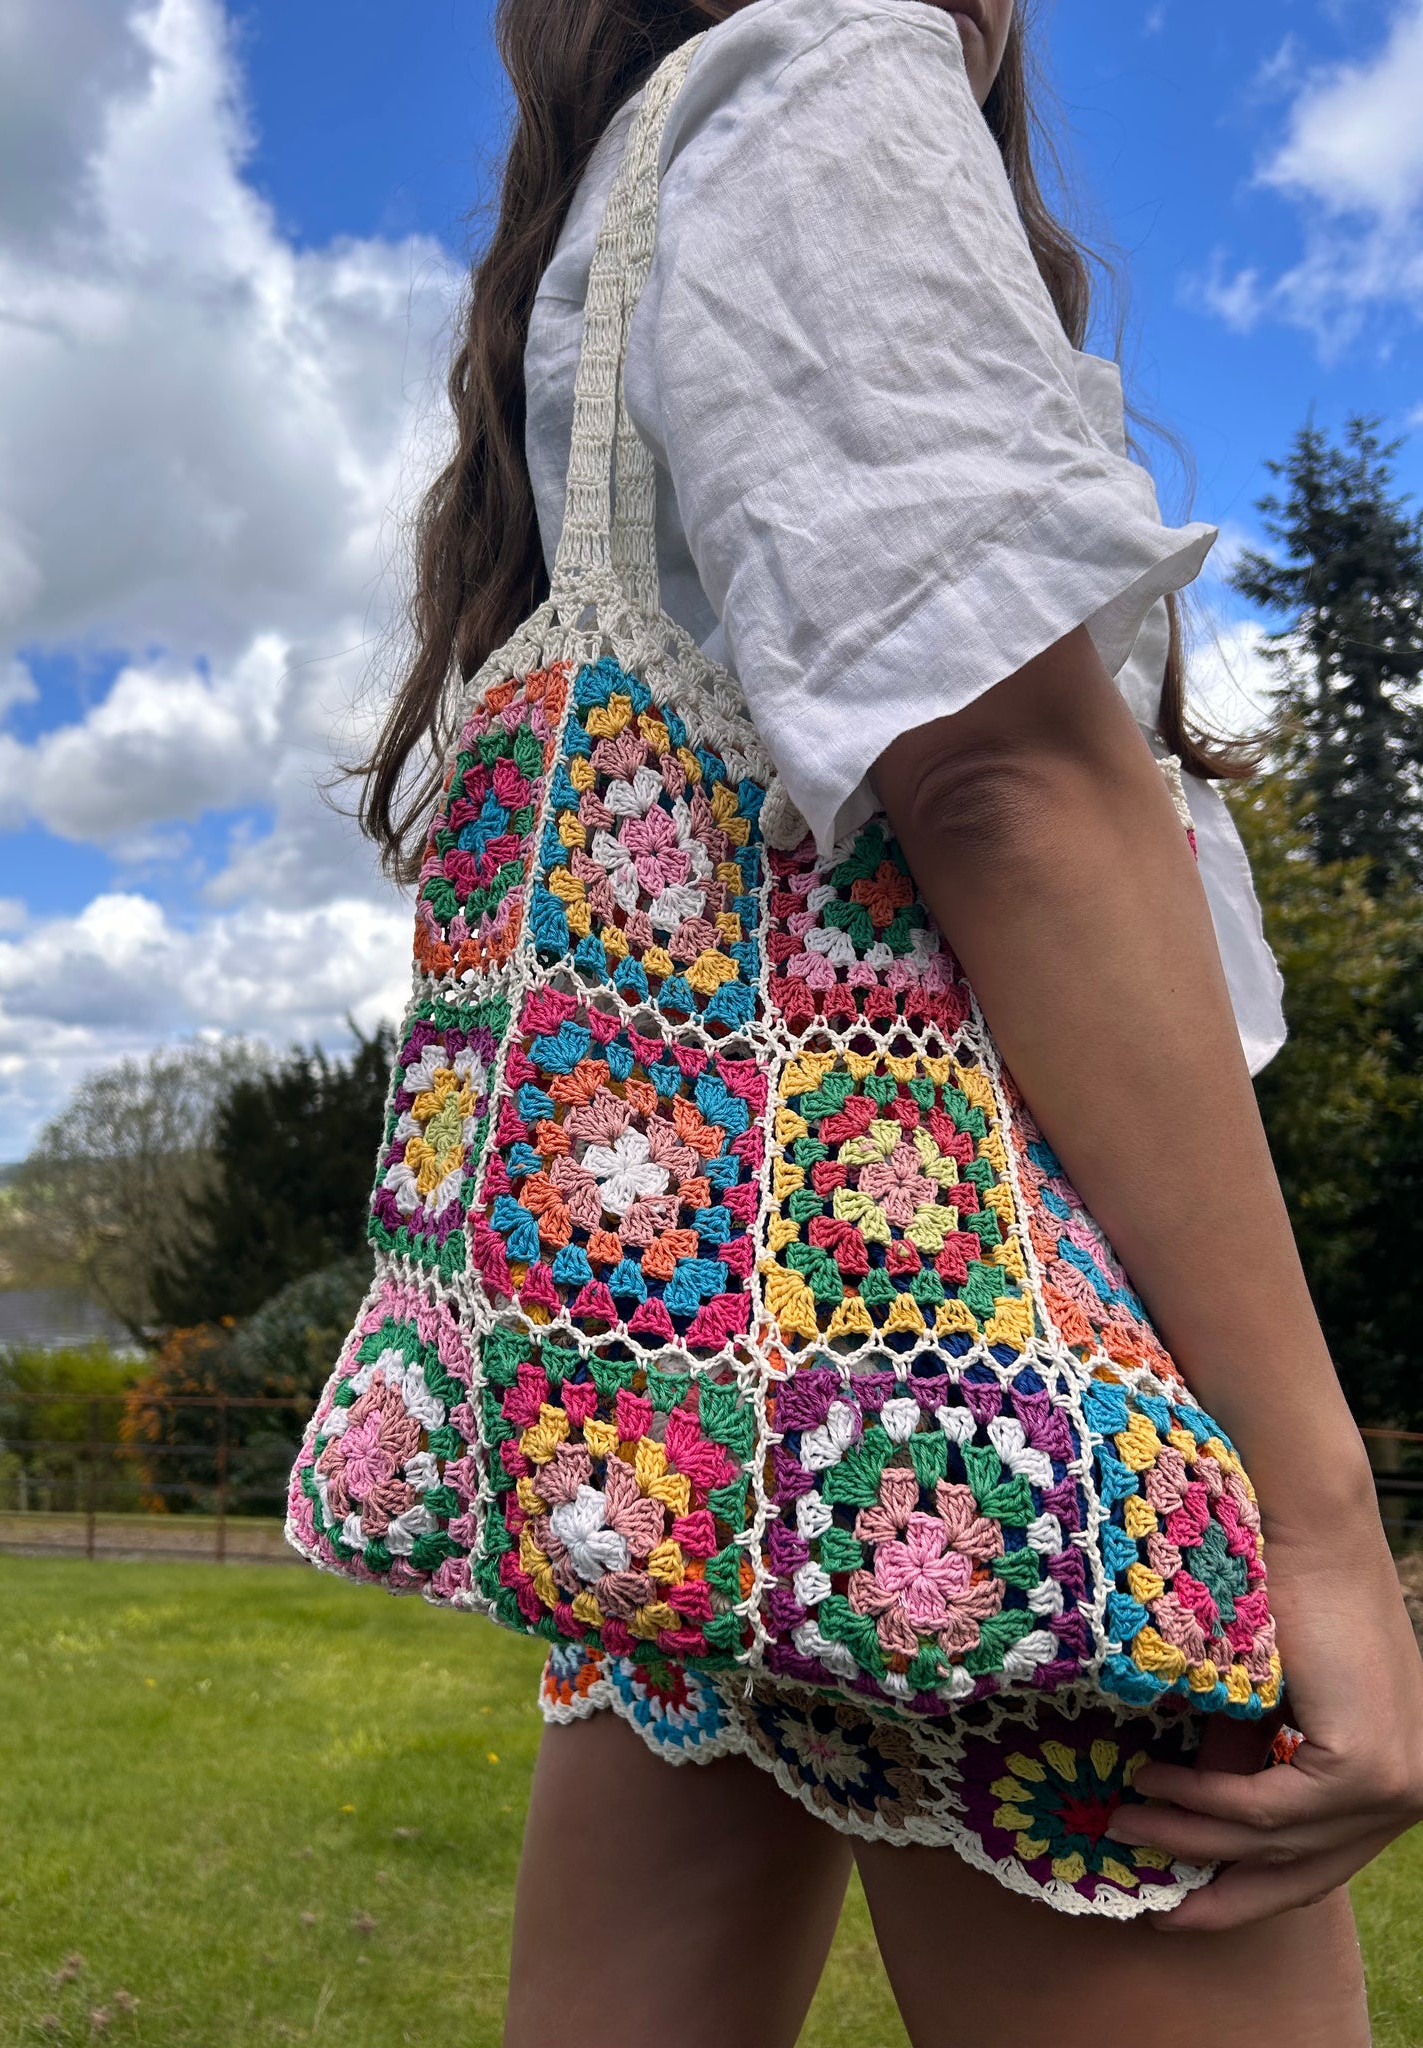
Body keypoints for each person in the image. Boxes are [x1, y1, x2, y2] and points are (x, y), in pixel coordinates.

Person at [358, 3, 1423, 2041]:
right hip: (988, 1396)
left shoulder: (632, 204)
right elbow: (1007, 782)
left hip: (699, 1436)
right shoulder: (824, 82)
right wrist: (1318, 1513)